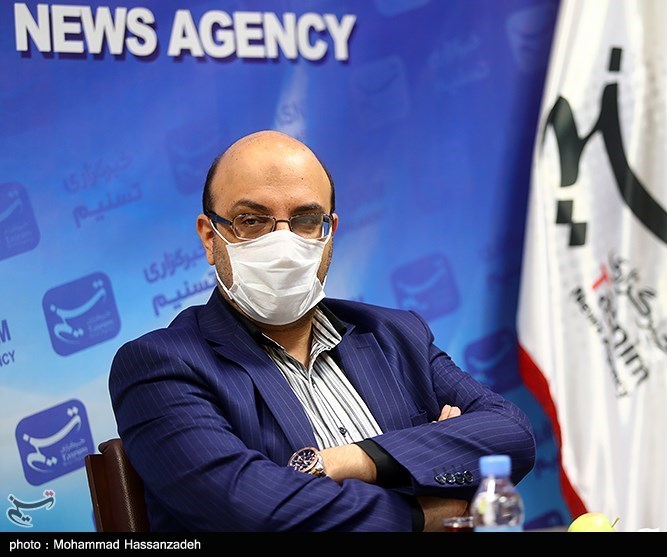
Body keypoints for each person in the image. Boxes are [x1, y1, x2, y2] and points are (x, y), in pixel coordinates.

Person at [108, 129, 536, 532]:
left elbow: (510, 435)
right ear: (209, 236)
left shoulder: (395, 334)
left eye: (305, 219)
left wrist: (351, 461)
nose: (283, 244)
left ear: (330, 233)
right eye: (251, 220)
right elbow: (251, 509)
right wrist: (419, 512)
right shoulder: (160, 366)